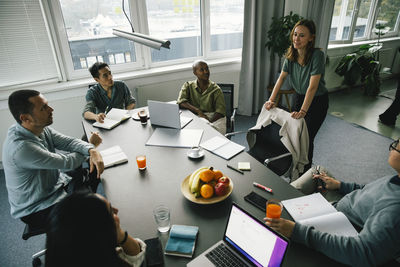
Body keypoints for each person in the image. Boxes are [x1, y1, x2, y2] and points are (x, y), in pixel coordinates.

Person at [264, 139, 400, 266]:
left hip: (343, 225)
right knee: (317, 170)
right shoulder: (395, 178)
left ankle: (281, 207)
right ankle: (284, 203)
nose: (392, 147)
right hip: (341, 207)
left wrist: (298, 232)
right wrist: (340, 185)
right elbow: (366, 190)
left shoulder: (395, 210)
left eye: (397, 145)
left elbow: (362, 251)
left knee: (286, 227)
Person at [3, 89, 104, 229]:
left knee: (92, 170)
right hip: (37, 208)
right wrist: (92, 146)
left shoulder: (39, 128)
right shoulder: (21, 149)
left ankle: (82, 208)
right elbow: (67, 163)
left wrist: (91, 150)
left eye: (47, 105)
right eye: (43, 108)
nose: (51, 109)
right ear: (25, 118)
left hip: (53, 185)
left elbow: (69, 142)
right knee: (94, 210)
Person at [264, 19, 328, 172]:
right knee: (295, 135)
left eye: (302, 36)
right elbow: (281, 79)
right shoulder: (290, 55)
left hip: (317, 101)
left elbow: (312, 88)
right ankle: (295, 167)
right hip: (299, 97)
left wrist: (303, 112)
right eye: (295, 34)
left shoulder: (317, 55)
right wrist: (271, 100)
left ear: (311, 38)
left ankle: (306, 172)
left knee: (307, 138)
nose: (296, 39)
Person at [45, 192, 146, 267]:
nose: (116, 210)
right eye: (111, 211)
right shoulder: (107, 259)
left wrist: (120, 235)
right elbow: (136, 261)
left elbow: (136, 255)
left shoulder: (83, 255)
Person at [177, 60, 227, 134]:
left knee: (213, 135)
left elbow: (220, 112)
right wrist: (198, 111)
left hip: (214, 118)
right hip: (196, 115)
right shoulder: (187, 86)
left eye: (207, 69)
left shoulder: (216, 89)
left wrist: (208, 122)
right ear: (195, 73)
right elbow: (181, 102)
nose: (206, 72)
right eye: (202, 70)